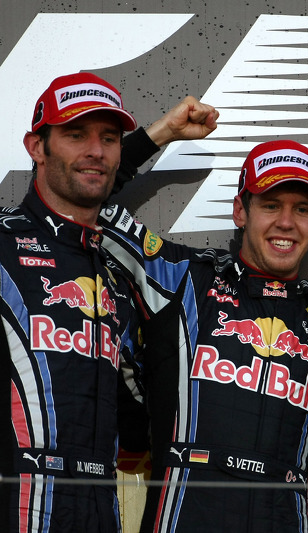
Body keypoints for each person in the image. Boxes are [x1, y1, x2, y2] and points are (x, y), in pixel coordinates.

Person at [99, 140, 308, 532]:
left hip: (281, 517)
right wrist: (156, 136)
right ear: (241, 211)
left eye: (301, 209)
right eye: (271, 205)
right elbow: (91, 206)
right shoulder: (184, 278)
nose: (286, 222)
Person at [0, 72, 214, 532]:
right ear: (36, 147)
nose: (95, 150)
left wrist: (165, 132)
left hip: (100, 508)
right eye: (75, 135)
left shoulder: (115, 268)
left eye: (110, 138)